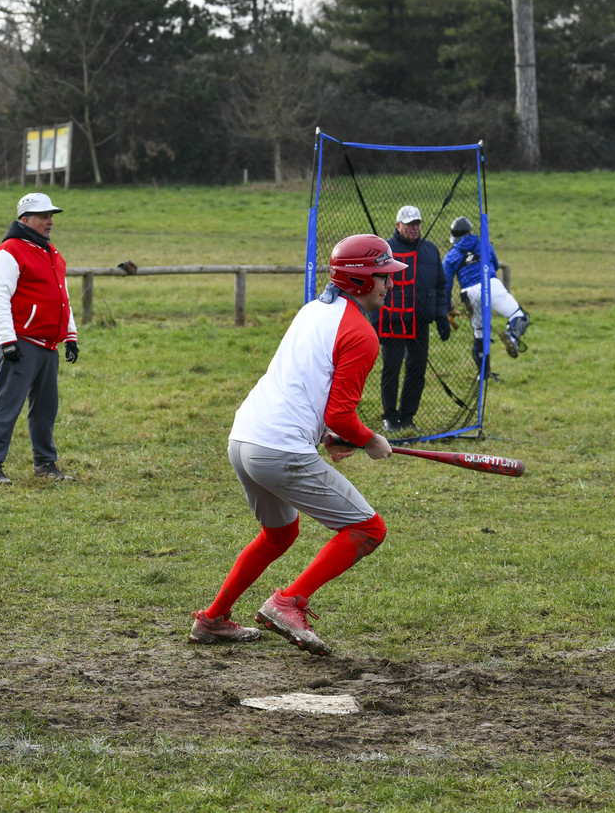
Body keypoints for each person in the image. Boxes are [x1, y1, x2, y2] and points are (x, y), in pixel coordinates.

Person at [189, 233, 406, 656]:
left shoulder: (313, 310)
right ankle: (289, 602)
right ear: (361, 280)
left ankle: (212, 619)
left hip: (244, 437)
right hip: (279, 448)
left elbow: (306, 385)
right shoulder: (362, 334)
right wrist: (368, 439)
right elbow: (340, 414)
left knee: (280, 534)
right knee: (368, 528)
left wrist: (329, 437)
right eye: (384, 276)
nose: (390, 284)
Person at [0, 192, 77, 485]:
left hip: (48, 344)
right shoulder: (8, 251)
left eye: (51, 216)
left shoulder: (51, 252)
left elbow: (62, 296)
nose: (50, 221)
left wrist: (70, 335)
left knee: (46, 408)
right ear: (25, 220)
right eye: (43, 216)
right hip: (21, 342)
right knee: (7, 404)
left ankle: (45, 462)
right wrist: (7, 340)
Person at [377, 205, 451, 435]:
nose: (414, 228)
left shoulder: (430, 250)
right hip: (393, 321)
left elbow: (441, 285)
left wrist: (441, 315)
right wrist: (375, 320)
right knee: (392, 369)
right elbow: (374, 286)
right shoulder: (386, 250)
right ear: (398, 226)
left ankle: (407, 417)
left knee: (416, 370)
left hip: (420, 322)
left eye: (417, 223)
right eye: (409, 224)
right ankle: (390, 417)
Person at [443, 216, 529, 377]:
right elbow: (495, 265)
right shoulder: (484, 244)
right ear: (470, 231)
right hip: (490, 284)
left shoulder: (451, 255)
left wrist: (448, 308)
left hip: (469, 293)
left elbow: (446, 284)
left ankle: (483, 374)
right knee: (519, 316)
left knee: (480, 333)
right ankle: (512, 337)